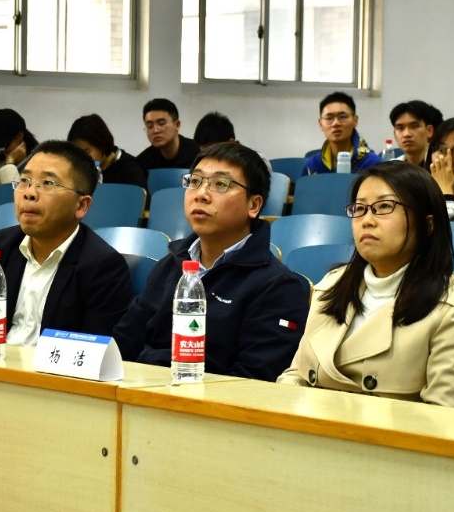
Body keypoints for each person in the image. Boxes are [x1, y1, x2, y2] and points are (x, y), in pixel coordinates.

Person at [277, 162, 454, 407]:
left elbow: (443, 417)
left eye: (384, 206)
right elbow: (296, 375)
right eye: (359, 208)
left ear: (428, 224)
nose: (367, 220)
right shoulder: (331, 286)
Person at [112, 142, 308, 381]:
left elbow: (254, 381)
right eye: (195, 181)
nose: (201, 194)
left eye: (220, 184)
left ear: (254, 205)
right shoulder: (168, 267)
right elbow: (122, 346)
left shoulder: (279, 287)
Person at [0, 140, 132, 344]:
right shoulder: (1, 245)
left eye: (48, 183)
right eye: (24, 180)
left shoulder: (103, 266)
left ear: (81, 205)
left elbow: (92, 352)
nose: (29, 193)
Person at [302, 92, 381, 176]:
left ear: (355, 120)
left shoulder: (372, 164)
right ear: (320, 124)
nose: (335, 123)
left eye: (342, 117)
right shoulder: (312, 166)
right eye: (329, 118)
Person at [67, 114, 147, 190]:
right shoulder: (82, 173)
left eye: (87, 152)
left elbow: (138, 198)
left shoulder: (130, 168)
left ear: (101, 144)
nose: (82, 159)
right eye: (77, 154)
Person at [136, 99, 200, 170]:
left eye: (161, 123)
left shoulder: (198, 155)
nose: (155, 130)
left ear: (177, 125)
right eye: (150, 126)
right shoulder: (142, 162)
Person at [389, 100, 440, 166]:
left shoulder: (441, 164)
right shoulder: (392, 167)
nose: (406, 134)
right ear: (394, 134)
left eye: (414, 126)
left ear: (429, 131)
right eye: (400, 128)